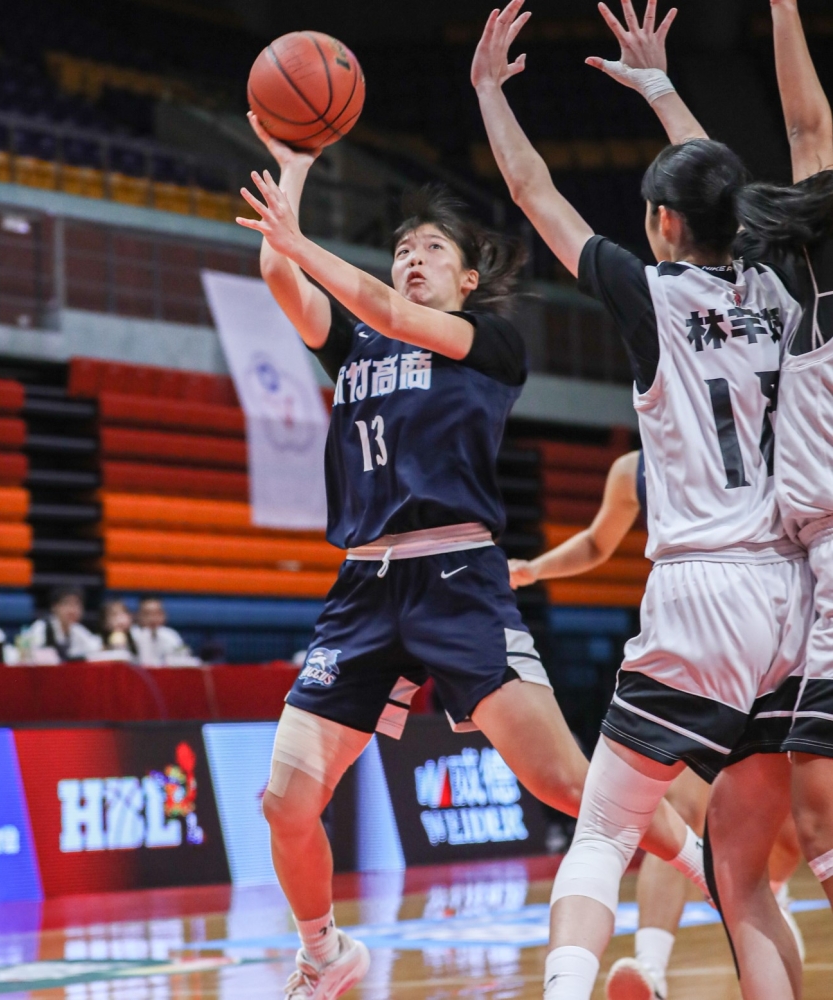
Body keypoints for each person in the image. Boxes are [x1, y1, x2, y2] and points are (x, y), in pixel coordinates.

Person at [237, 107, 708, 1000]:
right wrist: (293, 162)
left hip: (456, 576)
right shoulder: (357, 343)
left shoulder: (488, 346)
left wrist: (302, 242)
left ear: (465, 279)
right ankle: (324, 953)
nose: (410, 259)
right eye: (401, 249)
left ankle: (696, 863)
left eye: (430, 250)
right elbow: (278, 274)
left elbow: (369, 298)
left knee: (563, 783)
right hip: (363, 585)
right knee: (283, 800)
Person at [471, 4, 812, 1000]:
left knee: (605, 830)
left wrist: (489, 91)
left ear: (661, 224)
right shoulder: (782, 288)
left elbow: (532, 190)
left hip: (700, 589)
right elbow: (722, 187)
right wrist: (662, 89)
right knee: (742, 878)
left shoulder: (648, 294)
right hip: (793, 594)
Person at [510, 450, 804, 998]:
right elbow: (597, 541)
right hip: (699, 634)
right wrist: (536, 569)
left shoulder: (772, 435)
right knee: (679, 809)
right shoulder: (633, 469)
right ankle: (652, 967)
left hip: (775, 624)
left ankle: (774, 894)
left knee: (787, 836)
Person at [734, 0, 833, 943]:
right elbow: (806, 131)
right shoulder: (806, 287)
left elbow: (809, 133)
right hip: (805, 564)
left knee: (815, 813)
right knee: (807, 818)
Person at [21, 586, 103, 663]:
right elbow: (27, 655)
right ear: (54, 607)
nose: (72, 610)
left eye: (77, 604)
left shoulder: (77, 629)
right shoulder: (41, 628)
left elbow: (96, 648)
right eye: (67, 604)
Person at [130, 596, 197, 666]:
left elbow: (183, 657)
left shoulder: (170, 634)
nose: (152, 618)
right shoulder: (131, 634)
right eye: (147, 614)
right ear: (137, 615)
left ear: (164, 615)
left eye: (157, 613)